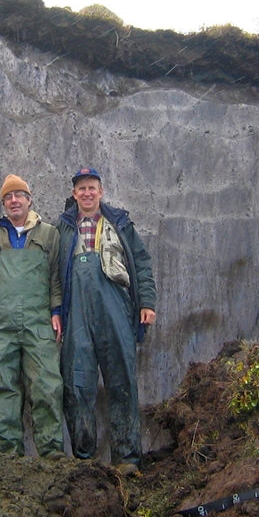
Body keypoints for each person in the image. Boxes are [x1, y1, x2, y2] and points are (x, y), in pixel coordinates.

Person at [58, 167, 157, 476]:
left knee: (122, 380)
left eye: (92, 187)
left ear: (101, 191)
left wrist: (147, 302)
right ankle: (84, 461)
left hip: (117, 310)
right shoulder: (61, 228)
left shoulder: (121, 224)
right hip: (76, 314)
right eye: (81, 188)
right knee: (77, 384)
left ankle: (127, 459)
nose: (87, 193)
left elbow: (141, 263)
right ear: (74, 194)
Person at [0, 174, 65, 458]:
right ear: (3, 203)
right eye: (8, 197)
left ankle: (52, 453)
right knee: (3, 389)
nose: (14, 200)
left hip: (38, 323)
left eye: (19, 195)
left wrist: (57, 311)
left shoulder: (49, 234)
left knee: (46, 385)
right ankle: (9, 456)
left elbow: (57, 278)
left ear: (30, 200)